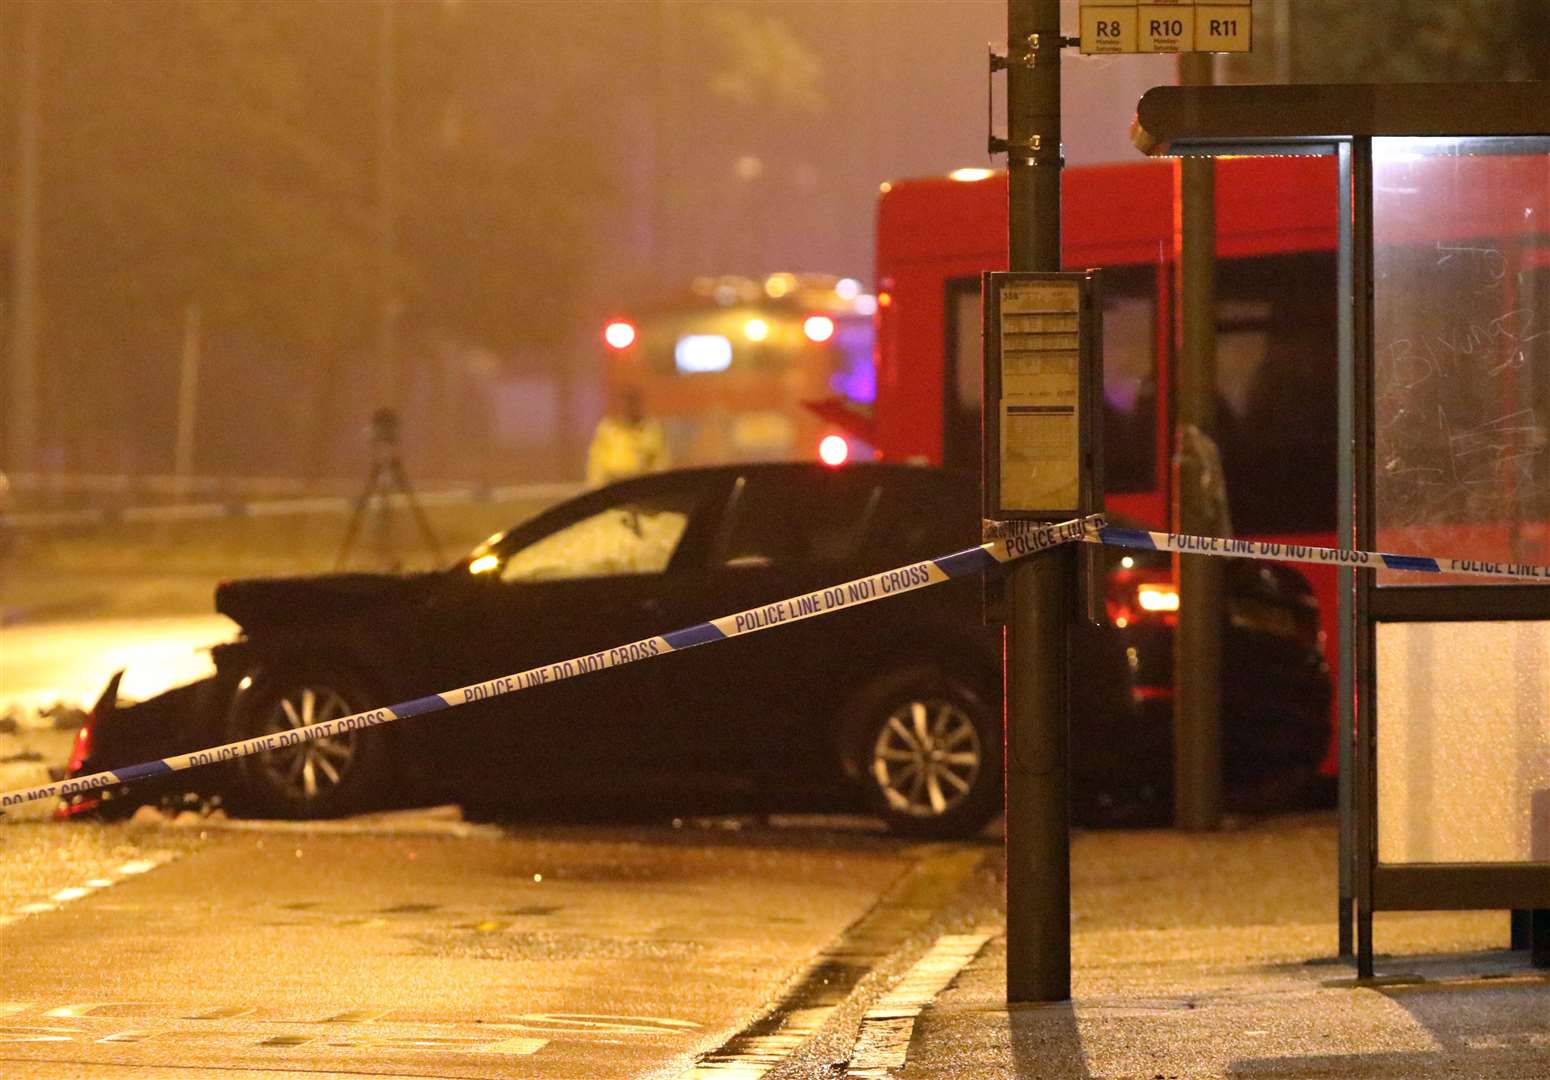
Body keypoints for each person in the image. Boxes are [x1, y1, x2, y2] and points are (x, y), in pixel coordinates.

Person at [586, 386, 668, 487]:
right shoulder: (608, 428)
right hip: (611, 482)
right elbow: (596, 460)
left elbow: (660, 462)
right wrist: (596, 487)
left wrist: (656, 486)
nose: (627, 409)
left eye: (632, 404)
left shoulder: (650, 429)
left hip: (639, 483)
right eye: (624, 405)